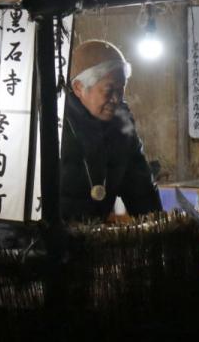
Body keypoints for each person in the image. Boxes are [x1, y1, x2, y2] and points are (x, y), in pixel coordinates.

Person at [60, 40, 161, 222]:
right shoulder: (54, 123)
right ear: (79, 88)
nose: (116, 99)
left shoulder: (121, 127)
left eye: (121, 89)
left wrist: (160, 229)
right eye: (108, 90)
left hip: (94, 239)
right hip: (46, 242)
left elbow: (141, 192)